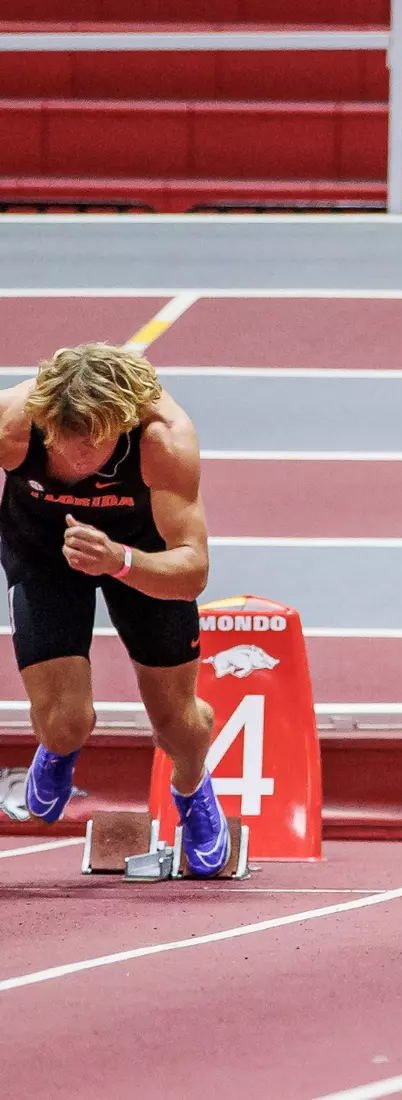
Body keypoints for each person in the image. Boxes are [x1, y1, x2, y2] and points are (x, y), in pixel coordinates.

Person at [1, 343, 228, 876]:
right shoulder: (12, 422)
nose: (76, 461)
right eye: (62, 443)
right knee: (63, 723)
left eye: (93, 447)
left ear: (121, 425)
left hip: (142, 554)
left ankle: (192, 788)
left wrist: (119, 561)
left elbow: (192, 571)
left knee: (177, 724)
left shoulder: (163, 439)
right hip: (43, 550)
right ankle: (58, 750)